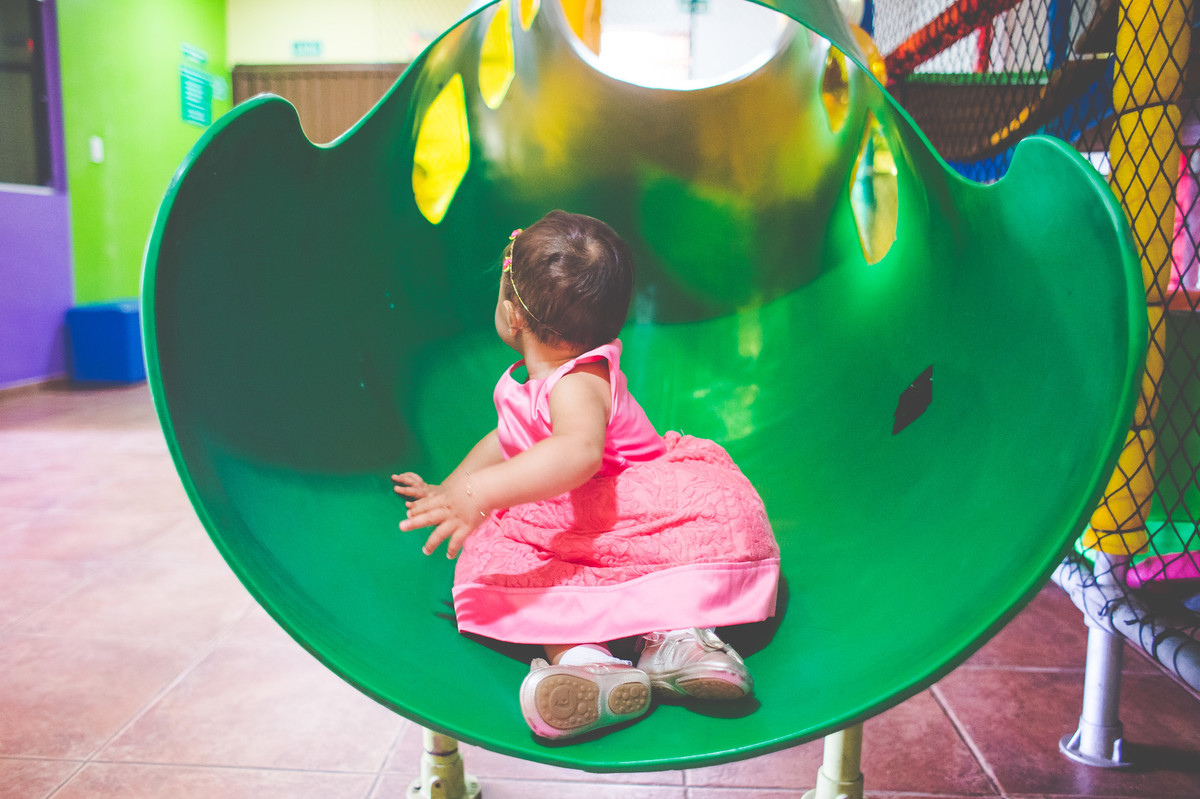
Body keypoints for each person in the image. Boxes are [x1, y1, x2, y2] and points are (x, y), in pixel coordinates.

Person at [393, 210, 780, 741]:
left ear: (512, 312)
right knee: (527, 552)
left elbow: (577, 455)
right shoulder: (536, 383)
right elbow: (506, 439)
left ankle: (676, 642)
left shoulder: (577, 383)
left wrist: (480, 494)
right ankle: (591, 666)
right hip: (588, 525)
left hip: (635, 512)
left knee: (521, 549)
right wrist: (451, 489)